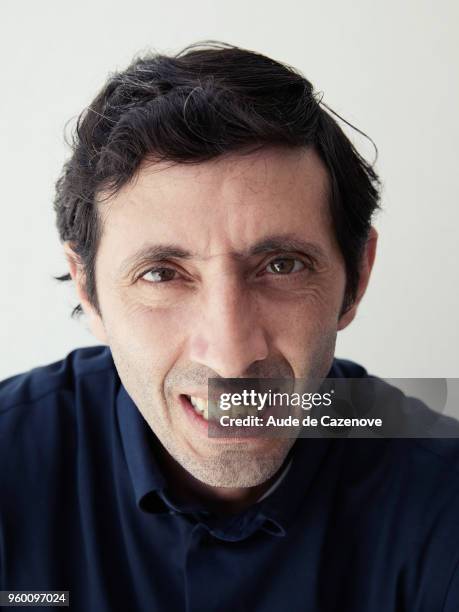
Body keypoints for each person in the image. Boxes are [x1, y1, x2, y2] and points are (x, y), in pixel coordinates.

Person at [0, 41, 458, 612]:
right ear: (88, 289)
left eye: (282, 266)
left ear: (356, 278)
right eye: (162, 274)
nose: (231, 358)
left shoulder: (442, 494)